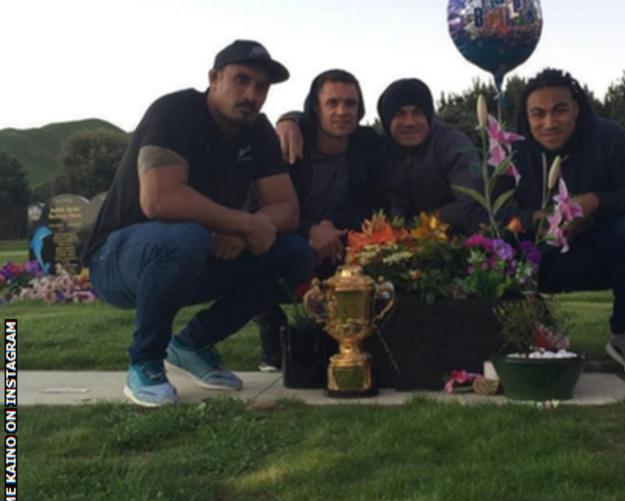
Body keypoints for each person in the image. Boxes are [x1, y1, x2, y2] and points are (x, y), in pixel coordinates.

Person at [82, 40, 315, 407]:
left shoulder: (258, 131)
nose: (251, 95)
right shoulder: (175, 112)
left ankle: (192, 344)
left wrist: (246, 228)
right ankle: (144, 362)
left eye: (261, 87)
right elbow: (160, 199)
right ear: (214, 78)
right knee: (185, 238)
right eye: (241, 80)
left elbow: (286, 209)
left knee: (295, 253)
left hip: (196, 252)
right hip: (117, 259)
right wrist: (242, 223)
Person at [502, 68, 625, 376]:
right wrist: (533, 218)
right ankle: (536, 323)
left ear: (576, 108)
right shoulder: (511, 149)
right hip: (538, 255)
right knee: (496, 240)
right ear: (527, 116)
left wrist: (595, 203)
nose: (549, 123)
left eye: (559, 110)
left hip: (598, 251)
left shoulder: (611, 137)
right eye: (538, 114)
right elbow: (491, 210)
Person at [254, 69, 389, 371]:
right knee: (263, 246)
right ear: (316, 107)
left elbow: (375, 202)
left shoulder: (369, 145)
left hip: (343, 236)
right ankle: (271, 334)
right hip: (291, 232)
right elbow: (263, 204)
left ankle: (351, 334)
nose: (342, 112)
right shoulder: (291, 143)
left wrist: (330, 227)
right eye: (332, 103)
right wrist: (310, 229)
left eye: (350, 104)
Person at [278, 78, 487, 234]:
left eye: (417, 112)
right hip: (390, 241)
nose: (409, 122)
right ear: (387, 120)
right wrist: (290, 120)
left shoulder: (452, 144)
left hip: (457, 237)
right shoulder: (376, 147)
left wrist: (422, 225)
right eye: (400, 114)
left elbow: (473, 202)